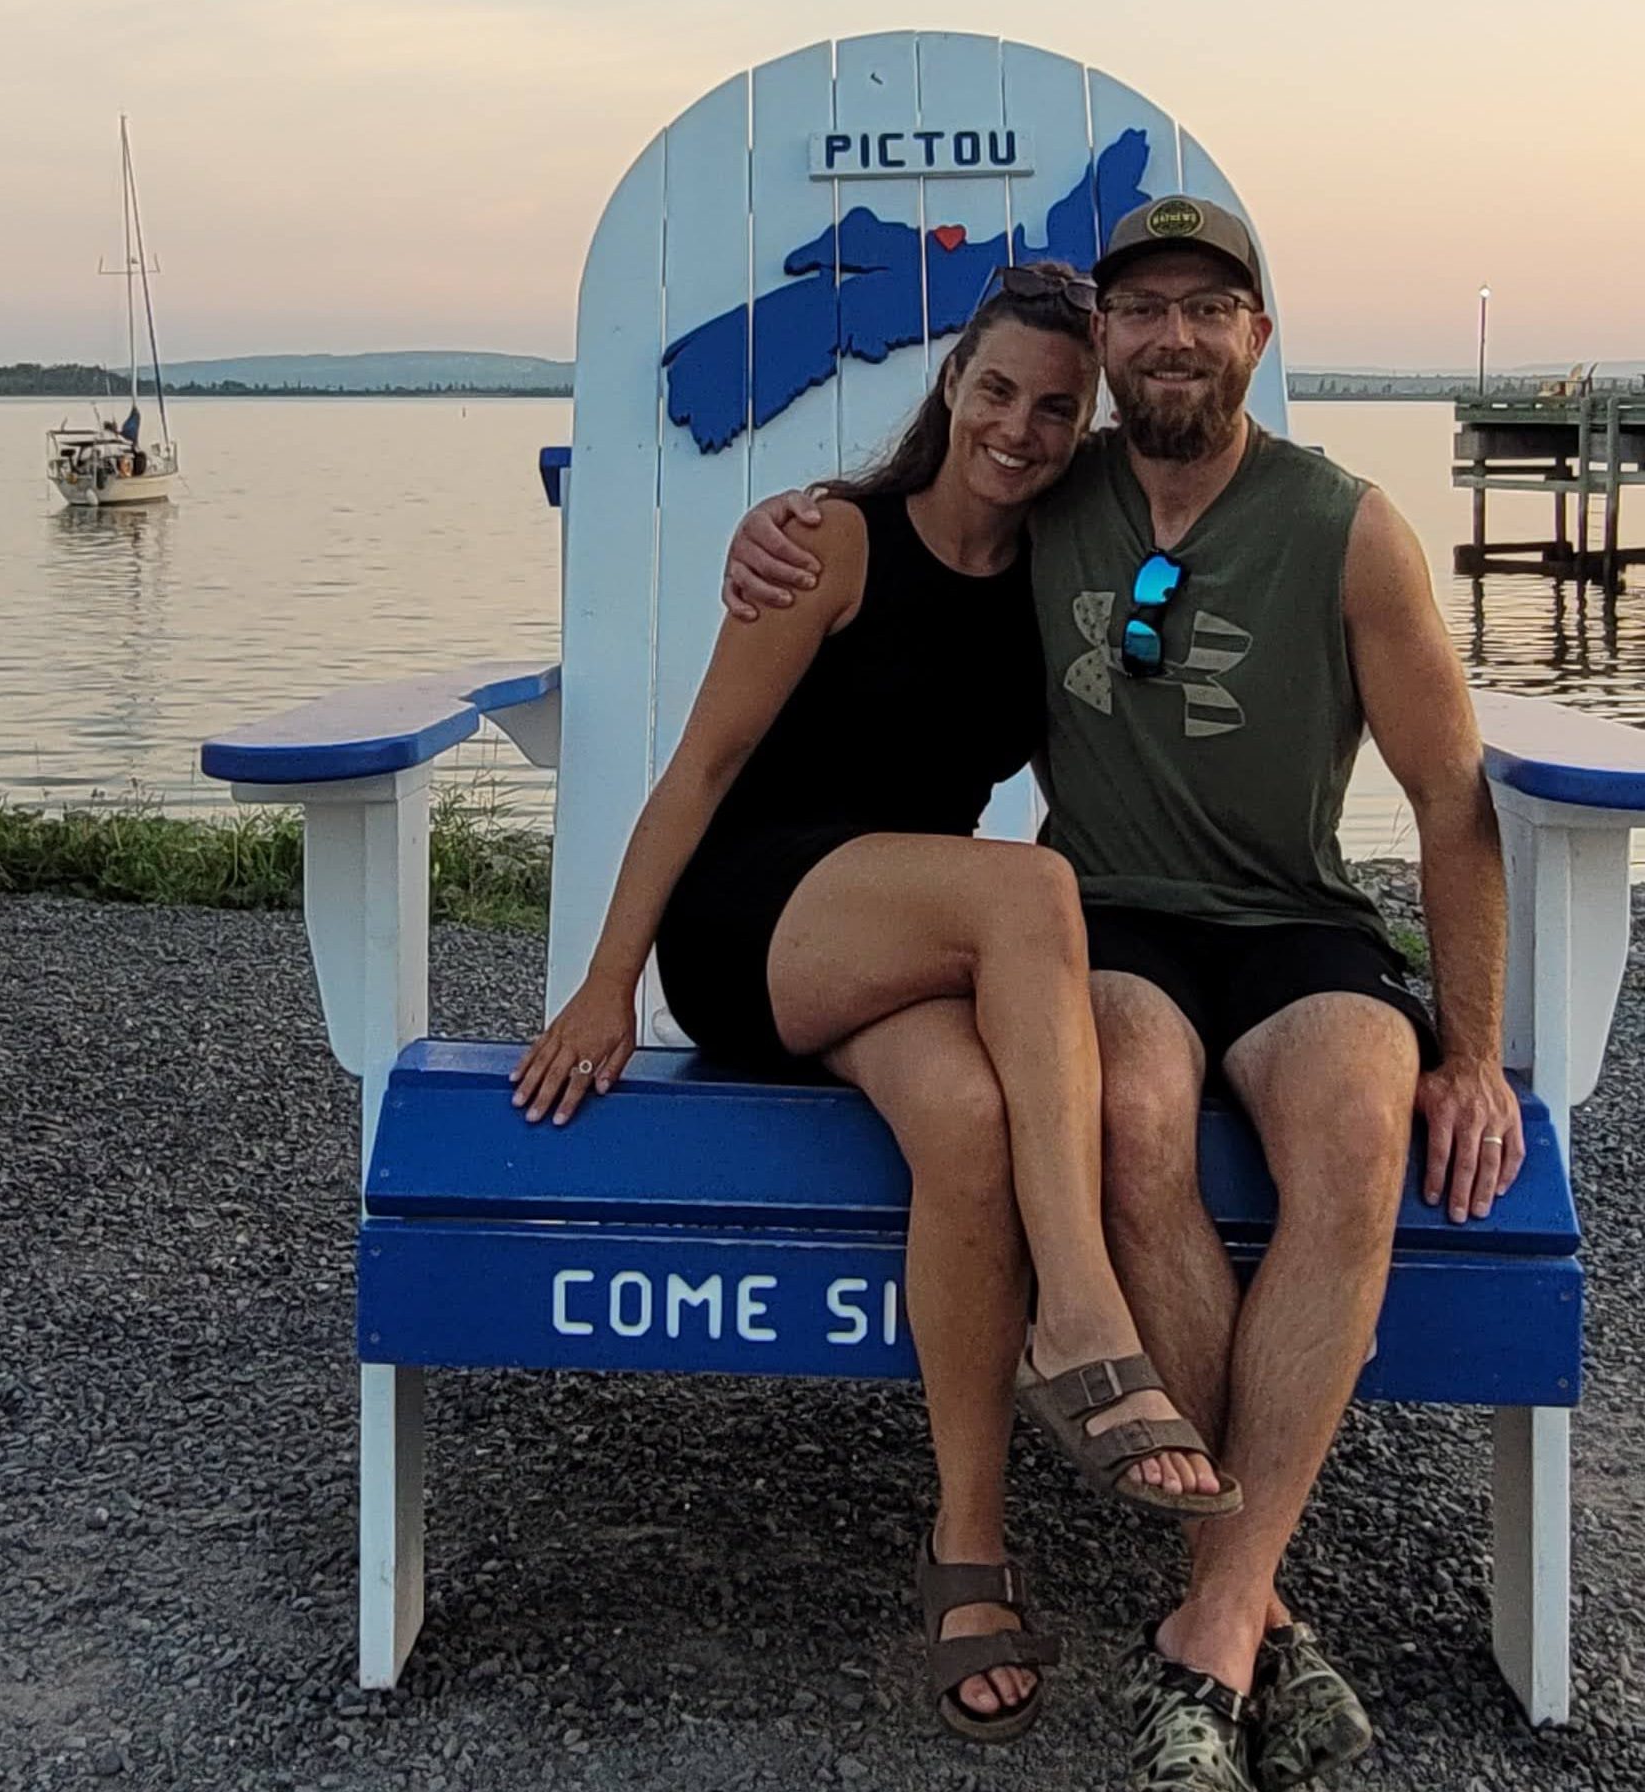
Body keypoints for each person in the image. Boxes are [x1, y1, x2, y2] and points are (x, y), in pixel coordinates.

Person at [720, 198, 1525, 1792]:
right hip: (1111, 916)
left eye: (1205, 310)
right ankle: (1245, 1621)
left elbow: (1451, 795)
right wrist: (778, 522)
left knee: (1362, 1140)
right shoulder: (1056, 488)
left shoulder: (1346, 526)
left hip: (1299, 920)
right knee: (1136, 1113)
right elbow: (922, 527)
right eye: (1142, 309)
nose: (1171, 336)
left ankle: (1219, 1609)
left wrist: (1480, 1051)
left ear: (1256, 340)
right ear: (1109, 348)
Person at [512, 266, 1242, 1745]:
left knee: (969, 1117)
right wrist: (603, 982)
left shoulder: (1058, 582)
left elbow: (1162, 633)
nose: (1021, 432)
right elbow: (700, 774)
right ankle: (1082, 1312)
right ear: (950, 390)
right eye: (996, 394)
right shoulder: (832, 544)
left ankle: (968, 1553)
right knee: (1022, 890)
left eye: (1056, 407)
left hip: (899, 947)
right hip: (754, 923)